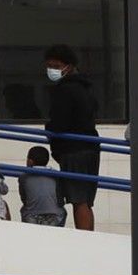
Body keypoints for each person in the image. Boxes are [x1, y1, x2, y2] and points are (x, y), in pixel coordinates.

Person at [43, 44, 102, 232]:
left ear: (68, 66)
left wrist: (49, 130)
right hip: (90, 146)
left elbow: (59, 123)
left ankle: (84, 239)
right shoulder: (86, 88)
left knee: (79, 199)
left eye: (56, 65)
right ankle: (89, 237)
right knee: (85, 200)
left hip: (74, 149)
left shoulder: (65, 90)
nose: (52, 69)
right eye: (49, 65)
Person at [19, 146, 67, 227]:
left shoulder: (24, 176)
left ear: (30, 161)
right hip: (55, 216)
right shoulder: (56, 175)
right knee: (62, 211)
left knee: (24, 209)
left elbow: (24, 198)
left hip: (31, 216)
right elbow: (60, 199)